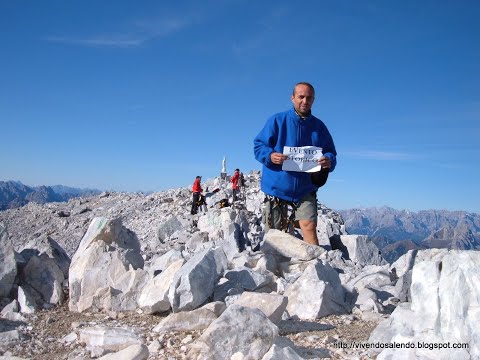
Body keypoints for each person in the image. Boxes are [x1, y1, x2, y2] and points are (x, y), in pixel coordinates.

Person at [253, 82, 337, 245]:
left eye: (309, 98)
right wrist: (270, 156)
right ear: (293, 98)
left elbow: (330, 152)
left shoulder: (319, 127)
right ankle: (274, 268)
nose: (305, 101)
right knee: (275, 235)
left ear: (313, 100)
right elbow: (259, 145)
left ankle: (315, 265)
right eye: (301, 97)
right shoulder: (277, 121)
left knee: (309, 225)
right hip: (277, 187)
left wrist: (328, 160)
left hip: (306, 187)